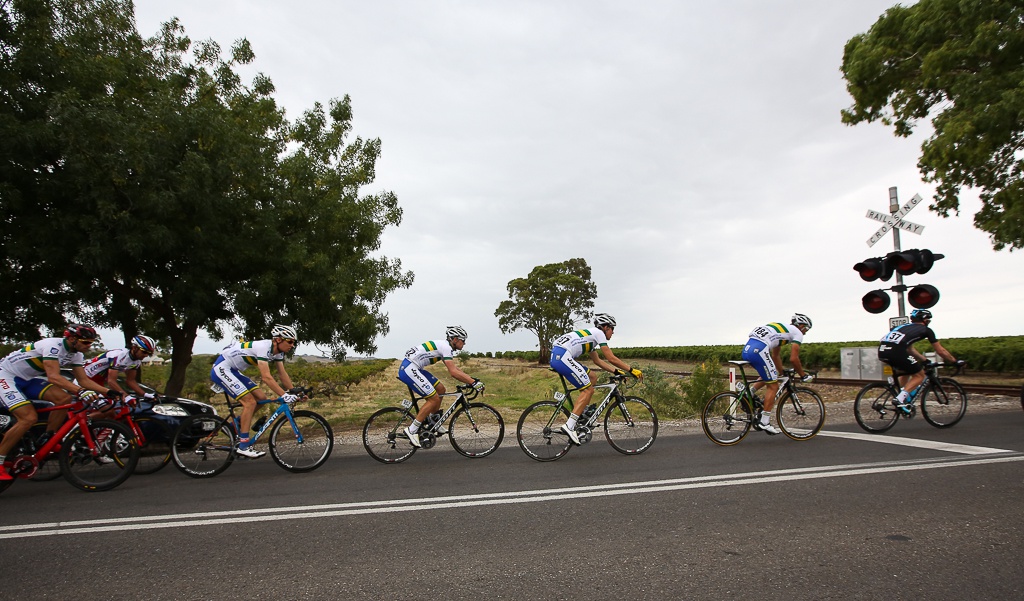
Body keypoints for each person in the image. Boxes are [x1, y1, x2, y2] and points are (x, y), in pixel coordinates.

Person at [0, 324, 112, 480]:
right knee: (28, 418)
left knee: (63, 399)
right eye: (86, 342)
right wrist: (80, 391)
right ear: (72, 339)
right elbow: (53, 377)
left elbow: (83, 380)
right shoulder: (53, 346)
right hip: (6, 376)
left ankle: (48, 437)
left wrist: (109, 392)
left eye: (91, 343)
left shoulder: (76, 355)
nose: (89, 346)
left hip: (27, 379)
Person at [549, 313, 643, 446]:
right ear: (605, 327)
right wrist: (631, 370)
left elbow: (598, 361)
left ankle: (582, 413)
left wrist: (616, 371)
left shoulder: (590, 337)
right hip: (563, 356)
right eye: (612, 328)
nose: (613, 332)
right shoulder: (598, 333)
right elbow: (611, 358)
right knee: (588, 391)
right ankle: (569, 426)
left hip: (560, 355)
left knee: (592, 377)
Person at [210, 324, 299, 458]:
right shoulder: (264, 348)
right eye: (290, 341)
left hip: (233, 370)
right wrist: (284, 395)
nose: (292, 345)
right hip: (222, 369)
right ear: (278, 340)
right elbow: (266, 377)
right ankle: (243, 445)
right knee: (250, 402)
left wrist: (293, 391)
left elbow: (282, 373)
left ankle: (235, 424)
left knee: (261, 398)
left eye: (294, 342)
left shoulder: (278, 352)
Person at [398, 326, 485, 448]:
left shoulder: (444, 346)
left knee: (440, 389)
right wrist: (474, 383)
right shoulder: (446, 347)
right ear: (455, 339)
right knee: (433, 398)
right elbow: (453, 372)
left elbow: (455, 369)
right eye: (463, 340)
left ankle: (433, 420)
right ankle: (412, 430)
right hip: (409, 369)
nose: (464, 343)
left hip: (414, 368)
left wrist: (471, 380)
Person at [740, 314, 814, 435]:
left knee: (770, 374)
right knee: (773, 386)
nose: (805, 333)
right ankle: (764, 421)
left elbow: (775, 356)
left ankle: (748, 393)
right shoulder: (797, 333)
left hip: (748, 349)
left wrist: (781, 372)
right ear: (801, 325)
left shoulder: (782, 329)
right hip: (760, 350)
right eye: (806, 329)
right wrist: (803, 375)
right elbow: (794, 359)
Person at [878, 309, 959, 413]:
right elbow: (940, 351)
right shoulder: (926, 330)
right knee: (920, 375)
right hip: (896, 352)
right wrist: (954, 361)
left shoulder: (903, 327)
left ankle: (899, 393)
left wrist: (924, 360)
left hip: (882, 351)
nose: (928, 322)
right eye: (928, 320)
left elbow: (910, 349)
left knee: (907, 371)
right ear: (924, 320)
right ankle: (899, 399)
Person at [83, 335, 159, 399]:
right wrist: (126, 397)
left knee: (111, 410)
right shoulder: (119, 356)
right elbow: (111, 381)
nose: (146, 355)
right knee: (105, 408)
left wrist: (145, 394)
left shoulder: (137, 361)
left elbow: (130, 381)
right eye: (144, 351)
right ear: (134, 347)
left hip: (99, 381)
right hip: (86, 379)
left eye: (149, 353)